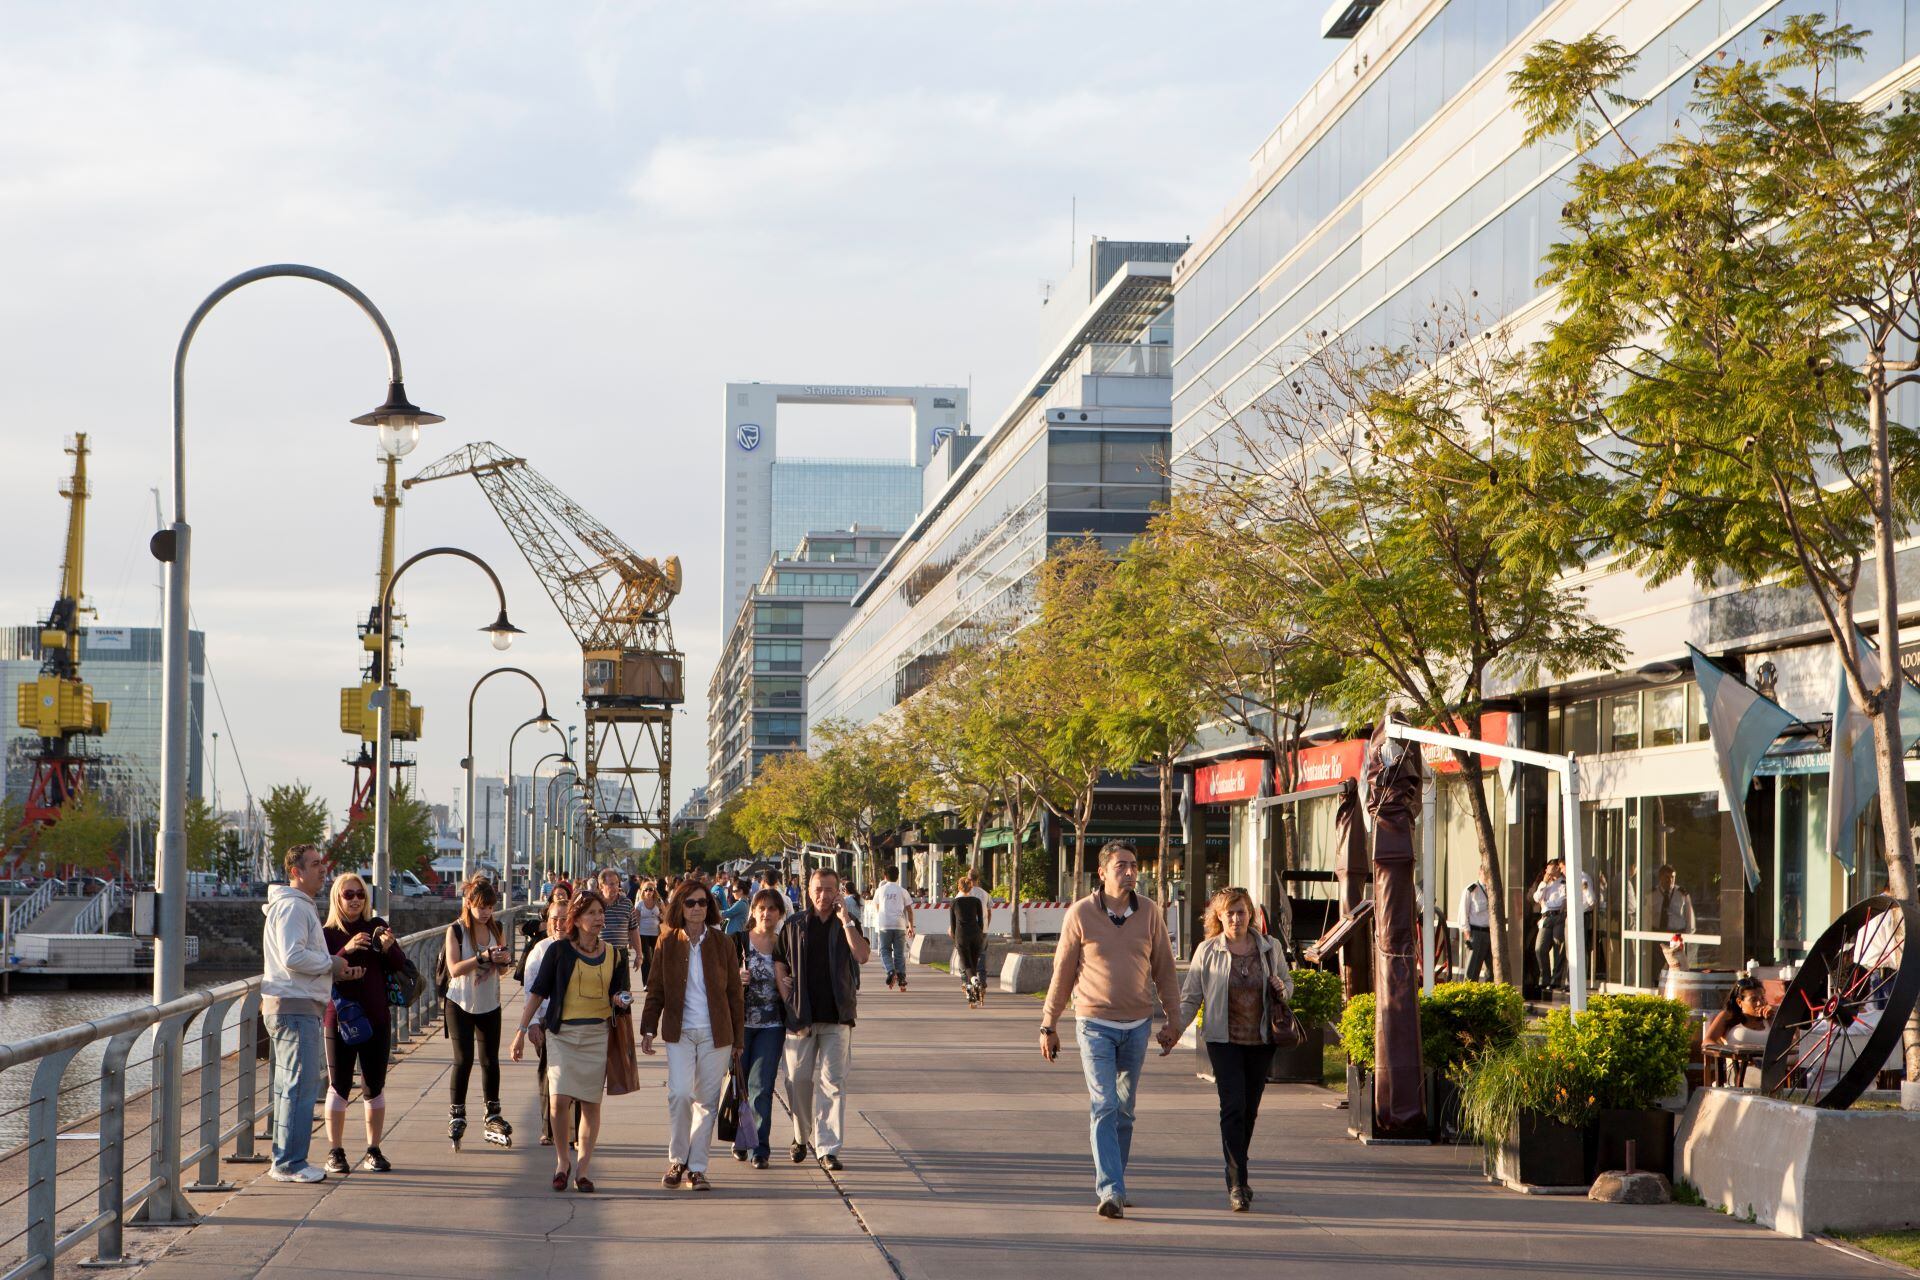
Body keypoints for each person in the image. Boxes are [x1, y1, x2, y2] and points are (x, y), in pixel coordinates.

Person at [1039, 840, 1181, 1221]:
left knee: (1124, 1111)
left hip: (1136, 1026)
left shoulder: (1149, 913)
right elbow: (1062, 973)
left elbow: (1165, 970)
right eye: (1121, 866)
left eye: (1133, 865)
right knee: (1103, 1105)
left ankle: (1115, 1180)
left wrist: (1174, 1019)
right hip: (1094, 1024)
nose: (1130, 872)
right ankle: (1111, 1190)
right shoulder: (1080, 914)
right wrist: (1049, 1023)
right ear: (1102, 873)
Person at [1168, 887, 1292, 1212]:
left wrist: (1282, 988)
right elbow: (1191, 997)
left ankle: (1239, 1168)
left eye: (1241, 912)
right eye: (1230, 913)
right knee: (1233, 1107)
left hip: (1261, 1041)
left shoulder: (1270, 947)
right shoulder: (1208, 950)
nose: (1236, 918)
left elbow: (1287, 984)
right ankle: (1237, 1182)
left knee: (1249, 1110)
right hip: (1222, 1041)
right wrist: (1173, 1031)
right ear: (1219, 916)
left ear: (1250, 914)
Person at [513, 890, 631, 1193]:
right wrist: (522, 1030)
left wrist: (620, 998)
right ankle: (562, 1162)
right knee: (559, 1101)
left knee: (591, 1104)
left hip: (597, 1035)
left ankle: (583, 1170)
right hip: (562, 1035)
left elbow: (620, 993)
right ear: (576, 920)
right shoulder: (558, 951)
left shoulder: (615, 954)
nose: (598, 918)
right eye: (591, 913)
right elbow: (538, 992)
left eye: (600, 912)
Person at [641, 880, 745, 1190]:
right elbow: (655, 988)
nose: (697, 907)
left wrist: (738, 1040)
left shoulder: (723, 943)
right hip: (680, 1032)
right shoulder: (667, 942)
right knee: (681, 1094)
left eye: (702, 902)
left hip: (717, 1034)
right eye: (690, 903)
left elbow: (734, 994)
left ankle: (697, 1168)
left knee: (706, 1102)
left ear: (709, 906)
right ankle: (677, 1159)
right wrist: (648, 1027)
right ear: (680, 907)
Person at [261, 842, 355, 1183]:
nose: (322, 869)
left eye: (321, 863)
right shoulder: (294, 908)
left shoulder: (293, 906)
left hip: (290, 1005)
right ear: (295, 872)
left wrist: (331, 968)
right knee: (299, 1087)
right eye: (314, 864)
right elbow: (293, 956)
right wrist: (331, 963)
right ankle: (290, 1163)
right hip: (295, 1007)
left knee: (290, 1086)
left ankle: (286, 1159)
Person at [774, 867, 870, 1170]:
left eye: (829, 889)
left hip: (837, 1017)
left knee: (833, 1083)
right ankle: (801, 1136)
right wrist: (786, 995)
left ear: (838, 892)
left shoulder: (847, 924)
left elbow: (862, 955)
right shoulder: (794, 924)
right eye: (818, 889)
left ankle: (828, 1148)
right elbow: (779, 960)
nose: (823, 895)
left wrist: (846, 921)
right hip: (801, 1017)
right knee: (797, 1080)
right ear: (808, 890)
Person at [319, 872, 406, 1174]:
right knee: (339, 1085)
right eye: (348, 894)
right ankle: (335, 1152)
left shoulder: (376, 926)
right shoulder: (326, 933)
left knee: (374, 1085)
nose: (355, 900)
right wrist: (347, 949)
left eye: (360, 894)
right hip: (339, 1017)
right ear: (337, 898)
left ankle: (373, 1150)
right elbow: (321, 968)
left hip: (376, 1016)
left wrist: (390, 946)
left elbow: (400, 964)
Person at [444, 876, 512, 1151]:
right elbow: (454, 969)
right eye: (481, 907)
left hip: (489, 1002)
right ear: (469, 903)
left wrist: (503, 961)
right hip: (460, 1002)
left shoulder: (497, 928)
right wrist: (482, 957)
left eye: (490, 907)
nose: (486, 913)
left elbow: (504, 969)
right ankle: (457, 1114)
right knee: (463, 1060)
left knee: (490, 1060)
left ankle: (492, 1113)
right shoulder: (456, 930)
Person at [519, 884, 578, 1148]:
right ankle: (549, 1130)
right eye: (554, 919)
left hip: (576, 1020)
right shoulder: (540, 950)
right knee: (549, 1075)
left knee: (575, 1077)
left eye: (564, 919)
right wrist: (531, 1025)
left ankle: (575, 1132)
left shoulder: (581, 948)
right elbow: (530, 992)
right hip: (546, 1021)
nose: (559, 924)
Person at [734, 889, 788, 1167]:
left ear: (780, 914)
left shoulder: (785, 944)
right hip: (739, 1025)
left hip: (772, 1025)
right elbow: (717, 976)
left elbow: (798, 975)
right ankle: (740, 1137)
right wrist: (735, 976)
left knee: (761, 1086)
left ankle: (760, 1149)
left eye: (772, 909)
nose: (766, 913)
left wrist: (791, 982)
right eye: (761, 908)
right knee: (738, 1085)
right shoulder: (738, 941)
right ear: (753, 911)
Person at [1647, 864, 1696, 985]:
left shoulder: (1682, 894)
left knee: (1677, 966)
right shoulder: (1652, 894)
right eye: (1667, 877)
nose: (1670, 880)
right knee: (1658, 967)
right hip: (1658, 934)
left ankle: (1677, 987)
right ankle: (1659, 986)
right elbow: (1646, 917)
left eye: (1672, 877)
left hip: (1677, 935)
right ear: (1660, 877)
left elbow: (1689, 916)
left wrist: (1688, 936)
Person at [950, 871, 991, 1009]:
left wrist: (955, 938)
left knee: (967, 966)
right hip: (976, 935)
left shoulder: (955, 902)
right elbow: (981, 922)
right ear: (970, 887)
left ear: (959, 887)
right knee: (973, 965)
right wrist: (979, 933)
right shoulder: (977, 901)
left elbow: (953, 924)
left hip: (962, 935)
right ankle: (972, 996)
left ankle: (974, 983)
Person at [872, 864, 914, 992]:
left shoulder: (880, 890)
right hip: (899, 925)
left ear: (885, 876)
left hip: (885, 925)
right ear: (898, 876)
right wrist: (910, 926)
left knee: (885, 950)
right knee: (899, 953)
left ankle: (890, 971)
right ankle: (901, 978)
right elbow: (909, 910)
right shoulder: (903, 891)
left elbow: (877, 908)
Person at [1532, 860, 1569, 994]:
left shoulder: (1563, 882)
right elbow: (1536, 897)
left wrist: (1546, 903)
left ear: (1557, 868)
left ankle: (1556, 980)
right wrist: (1544, 883)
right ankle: (1544, 978)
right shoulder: (1545, 883)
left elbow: (1562, 900)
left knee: (1558, 949)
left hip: (1558, 916)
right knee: (1540, 948)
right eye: (1547, 868)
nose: (1547, 870)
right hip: (1545, 917)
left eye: (1550, 867)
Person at [597, 868, 641, 955]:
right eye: (611, 884)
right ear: (601, 886)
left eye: (617, 883)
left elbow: (633, 930)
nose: (615, 887)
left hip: (621, 954)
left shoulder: (626, 903)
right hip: (599, 954)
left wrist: (639, 954)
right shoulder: (595, 903)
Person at [1457, 879, 1492, 983]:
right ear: (1480, 872)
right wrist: (1468, 935)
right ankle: (1468, 992)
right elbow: (1463, 914)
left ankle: (1489, 991)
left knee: (1492, 970)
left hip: (1491, 933)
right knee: (1472, 970)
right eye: (1485, 872)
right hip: (1476, 933)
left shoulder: (1492, 889)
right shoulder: (1471, 890)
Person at [635, 879, 664, 984]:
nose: (648, 891)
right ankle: (646, 982)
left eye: (651, 889)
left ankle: (656, 981)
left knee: (656, 957)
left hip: (656, 933)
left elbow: (665, 916)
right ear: (643, 891)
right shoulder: (640, 904)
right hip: (643, 933)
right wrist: (633, 938)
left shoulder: (659, 902)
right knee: (646, 958)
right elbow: (636, 921)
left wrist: (661, 913)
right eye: (646, 889)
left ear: (654, 891)